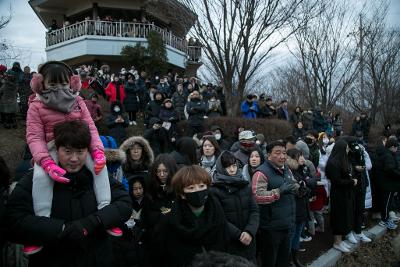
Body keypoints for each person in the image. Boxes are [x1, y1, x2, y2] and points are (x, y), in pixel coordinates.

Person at [4, 120, 132, 266]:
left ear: (87, 151)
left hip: (97, 258)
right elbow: (13, 221)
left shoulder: (97, 177)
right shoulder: (33, 180)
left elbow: (124, 203)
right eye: (67, 151)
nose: (74, 159)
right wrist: (60, 229)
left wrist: (93, 222)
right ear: (56, 149)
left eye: (80, 151)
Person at [26, 61, 120, 255]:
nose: (59, 89)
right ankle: (42, 227)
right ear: (41, 84)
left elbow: (90, 127)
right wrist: (46, 162)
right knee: (41, 177)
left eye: (63, 84)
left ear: (72, 83)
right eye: (53, 84)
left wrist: (98, 151)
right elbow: (34, 136)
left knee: (99, 170)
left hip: (79, 144)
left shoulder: (77, 100)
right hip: (52, 147)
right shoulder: (36, 105)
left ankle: (106, 215)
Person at [152, 165, 230, 266]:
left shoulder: (217, 213)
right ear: (182, 194)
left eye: (201, 186)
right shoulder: (169, 221)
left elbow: (226, 246)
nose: (198, 191)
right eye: (191, 188)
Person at [251, 141, 299, 267]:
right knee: (270, 261)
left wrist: (300, 188)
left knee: (283, 260)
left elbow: (292, 184)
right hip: (271, 228)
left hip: (287, 223)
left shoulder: (286, 169)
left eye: (284, 153)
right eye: (277, 153)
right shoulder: (261, 173)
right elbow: (257, 196)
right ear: (268, 155)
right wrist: (279, 191)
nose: (282, 156)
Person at [211, 151, 259, 261]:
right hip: (229, 243)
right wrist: (239, 235)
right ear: (221, 168)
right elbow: (218, 218)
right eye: (227, 167)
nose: (232, 170)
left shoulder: (245, 185)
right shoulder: (215, 190)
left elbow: (254, 211)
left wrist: (249, 231)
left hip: (249, 241)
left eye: (234, 166)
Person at [286, 149, 317, 267]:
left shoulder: (303, 169)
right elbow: (301, 188)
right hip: (294, 209)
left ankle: (294, 258)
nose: (303, 159)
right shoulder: (289, 172)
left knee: (298, 234)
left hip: (303, 207)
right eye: (300, 157)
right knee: (291, 234)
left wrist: (306, 185)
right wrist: (306, 185)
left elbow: (312, 181)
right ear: (293, 158)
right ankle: (288, 260)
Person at [326, 140, 357, 253]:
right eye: (347, 148)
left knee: (345, 216)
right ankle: (337, 242)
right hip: (338, 194)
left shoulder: (342, 160)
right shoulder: (333, 163)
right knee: (339, 217)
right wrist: (351, 182)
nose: (348, 150)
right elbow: (336, 181)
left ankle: (341, 240)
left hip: (345, 193)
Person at [378, 138, 400, 230]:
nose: (397, 150)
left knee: (387, 202)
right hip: (387, 184)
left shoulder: (388, 154)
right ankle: (385, 220)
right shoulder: (388, 156)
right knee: (386, 203)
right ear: (392, 147)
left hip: (387, 183)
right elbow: (390, 170)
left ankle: (386, 218)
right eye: (396, 148)